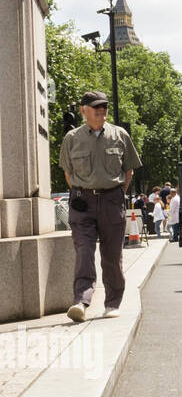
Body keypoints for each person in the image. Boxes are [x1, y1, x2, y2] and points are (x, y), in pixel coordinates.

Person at [59, 90, 142, 321]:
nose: (101, 110)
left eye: (104, 106)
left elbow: (129, 170)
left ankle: (112, 302)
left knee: (112, 256)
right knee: (84, 251)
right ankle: (81, 302)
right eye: (96, 107)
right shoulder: (72, 139)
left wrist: (117, 194)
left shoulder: (120, 135)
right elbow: (68, 173)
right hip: (82, 203)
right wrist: (83, 190)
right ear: (83, 111)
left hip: (111, 200)